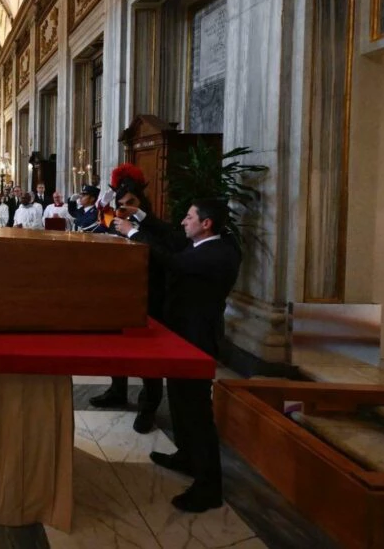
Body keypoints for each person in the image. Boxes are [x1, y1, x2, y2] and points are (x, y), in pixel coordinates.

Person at [115, 199, 241, 513]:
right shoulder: (202, 243)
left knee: (197, 411)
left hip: (198, 339)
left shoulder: (219, 253)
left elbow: (173, 262)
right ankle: (186, 456)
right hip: (181, 336)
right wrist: (139, 216)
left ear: (206, 223)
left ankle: (209, 488)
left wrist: (133, 233)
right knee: (180, 402)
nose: (183, 222)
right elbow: (170, 236)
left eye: (188, 217)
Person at [90, 164, 169, 433]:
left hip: (149, 294)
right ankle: (117, 390)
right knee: (117, 346)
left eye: (131, 203)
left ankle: (149, 405)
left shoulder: (153, 226)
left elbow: (158, 252)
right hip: (120, 292)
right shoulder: (115, 220)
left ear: (140, 202)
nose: (125, 207)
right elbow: (104, 229)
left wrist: (133, 228)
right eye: (121, 203)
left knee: (149, 354)